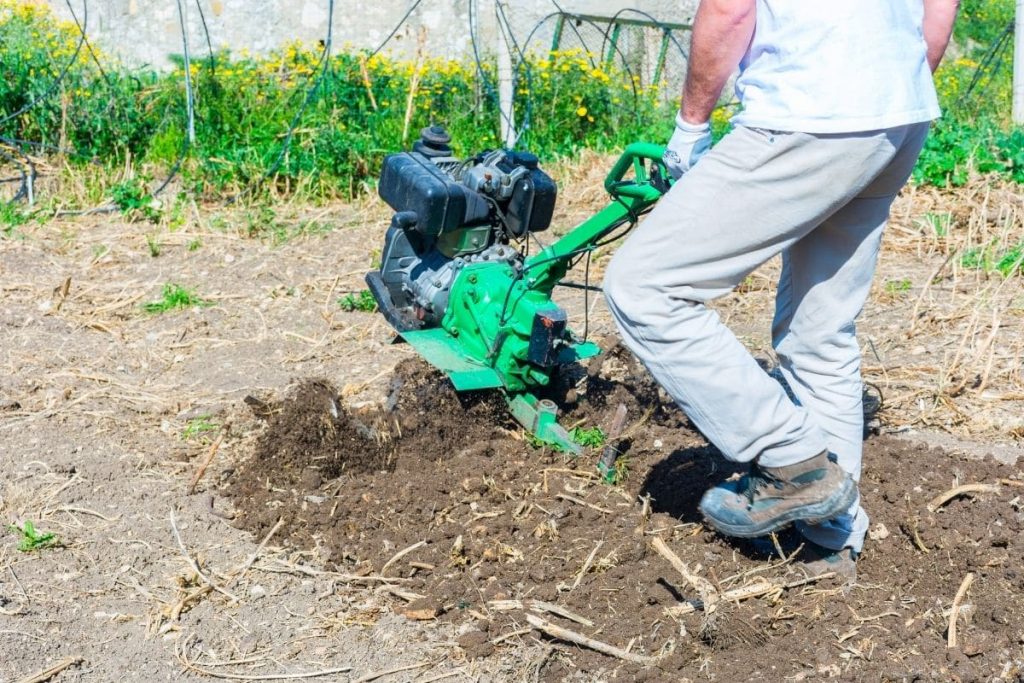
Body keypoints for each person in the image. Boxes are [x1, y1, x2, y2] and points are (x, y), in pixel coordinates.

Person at [603, 0, 959, 582]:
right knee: (820, 328)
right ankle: (830, 540)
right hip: (899, 110)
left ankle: (793, 460)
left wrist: (691, 129)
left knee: (645, 287)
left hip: (810, 108)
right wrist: (883, 89)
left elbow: (730, 7)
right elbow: (938, 14)